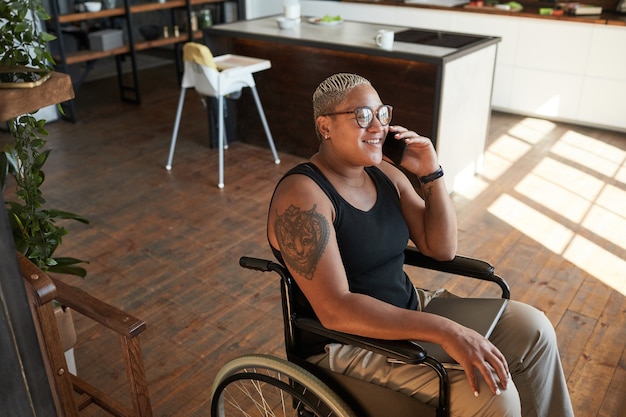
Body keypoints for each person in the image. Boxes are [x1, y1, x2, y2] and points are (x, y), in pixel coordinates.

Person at [267, 73, 574, 417]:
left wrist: (431, 174)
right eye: (362, 117)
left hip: (411, 309)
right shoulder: (303, 196)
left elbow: (441, 248)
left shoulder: (387, 174)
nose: (378, 127)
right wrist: (445, 331)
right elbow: (336, 309)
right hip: (345, 343)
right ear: (325, 127)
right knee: (493, 393)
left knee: (534, 329)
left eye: (382, 114)